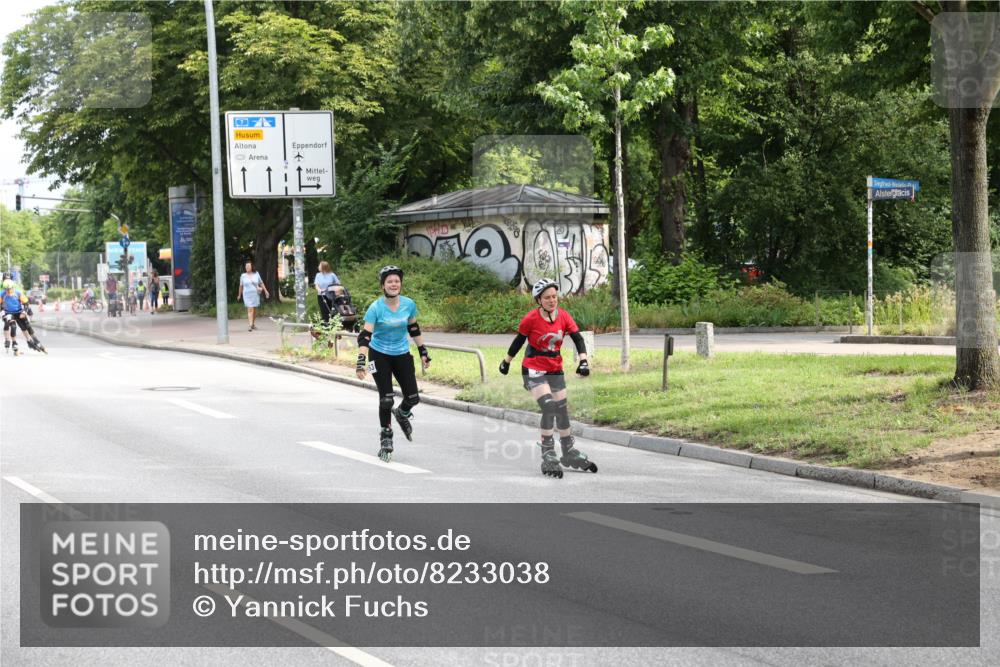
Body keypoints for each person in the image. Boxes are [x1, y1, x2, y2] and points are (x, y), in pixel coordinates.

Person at [499, 278, 596, 478]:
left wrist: (583, 361)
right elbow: (519, 341)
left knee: (562, 409)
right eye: (547, 298)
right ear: (539, 300)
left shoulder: (564, 316)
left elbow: (578, 338)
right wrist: (506, 362)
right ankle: (548, 452)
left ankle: (568, 450)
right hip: (533, 368)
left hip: (555, 368)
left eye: (554, 296)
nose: (552, 300)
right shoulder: (531, 319)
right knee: (549, 406)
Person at [355, 265, 431, 462]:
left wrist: (423, 351)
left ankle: (402, 413)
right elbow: (365, 336)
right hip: (378, 355)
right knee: (386, 399)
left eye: (397, 281)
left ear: (401, 284)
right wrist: (361, 361)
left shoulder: (408, 304)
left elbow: (414, 328)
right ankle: (386, 436)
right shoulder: (375, 308)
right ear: (383, 285)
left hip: (401, 353)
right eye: (389, 281)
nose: (394, 284)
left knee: (413, 397)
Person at [2, 279, 45, 354]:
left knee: (27, 327)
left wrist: (24, 312)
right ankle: (14, 343)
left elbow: (26, 303)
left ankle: (35, 340)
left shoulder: (18, 293)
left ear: (12, 287)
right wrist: (3, 315)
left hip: (19, 312)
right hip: (9, 313)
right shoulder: (2, 294)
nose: (8, 291)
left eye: (9, 289)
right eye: (6, 289)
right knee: (13, 327)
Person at [237, 260, 269, 331]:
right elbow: (241, 286)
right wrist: (239, 295)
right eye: (246, 266)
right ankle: (250, 325)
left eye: (248, 266)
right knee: (250, 308)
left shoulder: (256, 274)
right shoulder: (243, 276)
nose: (247, 267)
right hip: (247, 295)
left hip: (255, 294)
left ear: (251, 267)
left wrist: (266, 291)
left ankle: (253, 324)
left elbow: (261, 283)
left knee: (254, 310)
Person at [313, 260, 343, 326]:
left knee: (331, 310)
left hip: (331, 295)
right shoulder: (318, 275)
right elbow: (316, 284)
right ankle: (325, 325)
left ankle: (333, 324)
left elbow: (338, 284)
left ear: (323, 267)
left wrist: (334, 289)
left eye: (319, 266)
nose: (318, 267)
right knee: (324, 310)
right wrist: (319, 289)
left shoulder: (332, 275)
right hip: (321, 295)